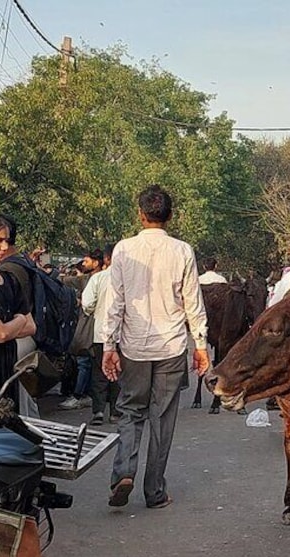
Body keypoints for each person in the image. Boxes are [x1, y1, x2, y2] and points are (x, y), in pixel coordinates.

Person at [100, 185, 209, 509]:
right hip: (172, 346)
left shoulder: (123, 250)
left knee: (130, 411)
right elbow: (194, 302)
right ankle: (155, 491)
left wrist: (109, 345)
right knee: (162, 418)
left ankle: (123, 472)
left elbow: (115, 301)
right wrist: (200, 345)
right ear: (170, 216)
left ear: (140, 214)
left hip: (133, 346)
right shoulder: (182, 251)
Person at [0, 215, 35, 407]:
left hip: (7, 369)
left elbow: (31, 326)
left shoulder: (9, 279)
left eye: (6, 240)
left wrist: (10, 325)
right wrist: (19, 319)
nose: (4, 247)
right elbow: (0, 334)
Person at [59, 248, 105, 411]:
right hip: (95, 325)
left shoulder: (95, 280)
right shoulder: (87, 279)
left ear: (96, 262)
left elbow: (88, 304)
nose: (84, 263)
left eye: (87, 261)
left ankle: (80, 396)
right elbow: (63, 280)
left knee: (85, 361)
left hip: (91, 325)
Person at [82, 243, 121, 425]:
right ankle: (116, 411)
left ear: (106, 258)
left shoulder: (98, 279)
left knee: (99, 372)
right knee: (119, 372)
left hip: (101, 333)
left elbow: (87, 303)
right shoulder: (128, 278)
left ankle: (98, 412)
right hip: (124, 335)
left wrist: (95, 311)